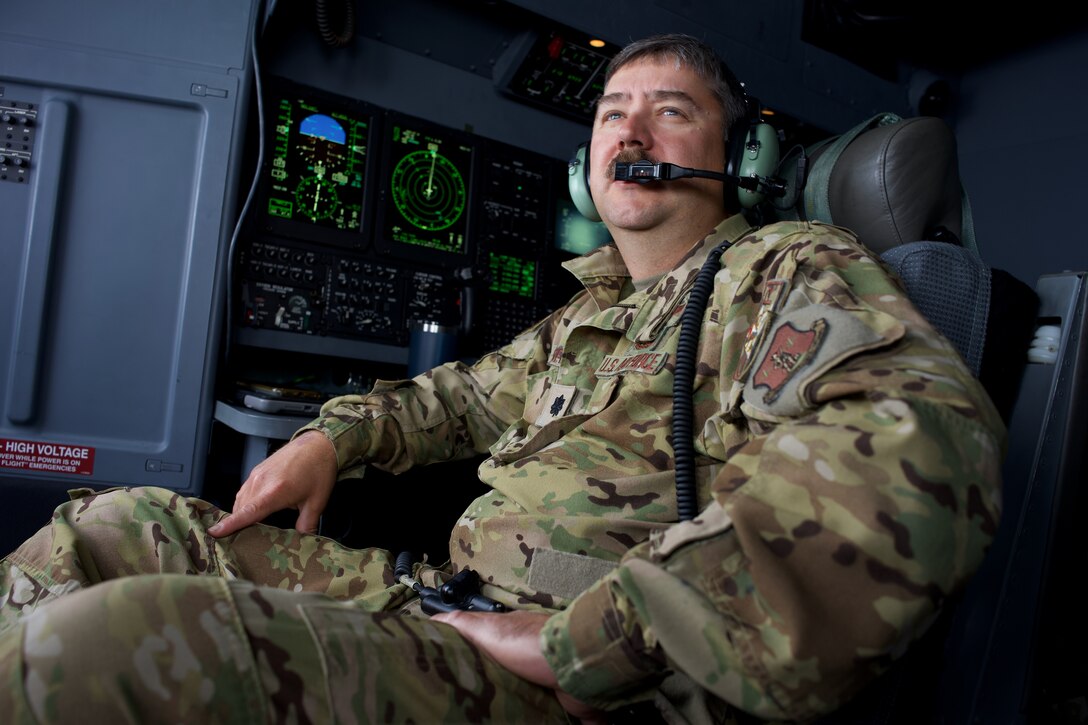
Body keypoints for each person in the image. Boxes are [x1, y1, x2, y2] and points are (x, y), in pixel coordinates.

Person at [0, 33, 1003, 723]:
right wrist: (331, 436)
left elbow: (924, 437)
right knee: (113, 529)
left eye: (669, 113)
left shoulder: (785, 269)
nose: (628, 135)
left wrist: (604, 636)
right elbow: (467, 395)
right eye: (612, 113)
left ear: (740, 161)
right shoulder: (590, 313)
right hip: (444, 601)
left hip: (573, 681)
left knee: (99, 648)